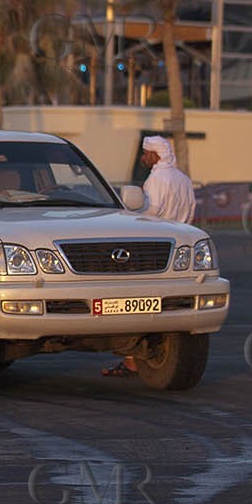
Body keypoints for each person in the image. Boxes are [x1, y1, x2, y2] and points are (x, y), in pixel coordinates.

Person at [103, 135, 195, 377]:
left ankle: (132, 361)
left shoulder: (156, 179)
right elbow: (191, 211)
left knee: (134, 303)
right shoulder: (184, 180)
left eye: (145, 154)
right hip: (180, 248)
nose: (143, 158)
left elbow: (149, 213)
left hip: (155, 249)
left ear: (154, 155)